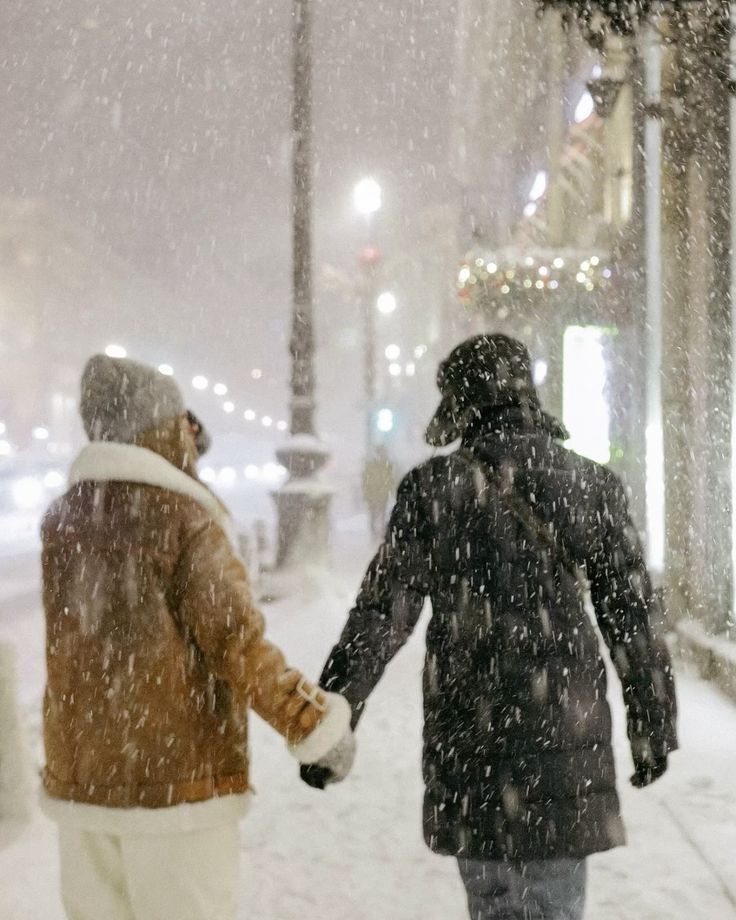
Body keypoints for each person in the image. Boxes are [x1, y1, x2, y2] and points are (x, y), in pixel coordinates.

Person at [302, 334, 677, 920]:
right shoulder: (590, 485)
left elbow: (382, 614)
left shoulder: (432, 490)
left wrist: (330, 716)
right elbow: (632, 618)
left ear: (459, 402)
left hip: (470, 746)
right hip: (563, 740)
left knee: (493, 903)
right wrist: (653, 721)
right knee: (553, 903)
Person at [41, 354, 355, 920]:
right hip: (176, 787)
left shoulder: (66, 519)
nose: (193, 430)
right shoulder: (183, 517)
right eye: (183, 419)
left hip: (84, 783)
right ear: (160, 427)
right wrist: (311, 723)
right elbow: (237, 642)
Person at [361, 444, 397, 536]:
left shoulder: (386, 465)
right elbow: (365, 480)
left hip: (381, 493)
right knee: (375, 513)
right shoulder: (381, 465)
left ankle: (378, 530)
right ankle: (374, 530)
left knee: (381, 512)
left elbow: (390, 479)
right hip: (374, 493)